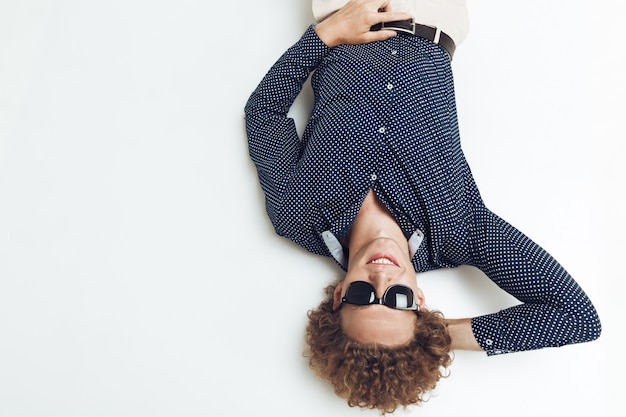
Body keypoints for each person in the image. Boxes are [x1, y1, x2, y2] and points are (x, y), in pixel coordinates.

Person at [244, 0, 601, 412]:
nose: (382, 278)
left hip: (349, 6)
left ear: (339, 295)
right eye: (397, 301)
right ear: (421, 303)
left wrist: (322, 38)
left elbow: (264, 115)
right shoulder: (459, 232)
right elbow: (576, 319)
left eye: (362, 295)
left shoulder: (297, 215)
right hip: (434, 13)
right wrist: (430, 337)